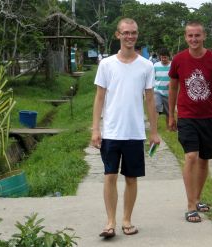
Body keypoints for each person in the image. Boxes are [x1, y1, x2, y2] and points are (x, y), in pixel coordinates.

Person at [91, 18, 160, 239]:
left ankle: (127, 220)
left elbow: (150, 100)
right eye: (126, 33)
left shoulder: (146, 66)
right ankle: (109, 222)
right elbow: (99, 97)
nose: (130, 37)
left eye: (134, 33)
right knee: (109, 175)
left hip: (134, 132)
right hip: (111, 131)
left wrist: (154, 132)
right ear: (117, 35)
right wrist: (95, 129)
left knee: (131, 178)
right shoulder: (107, 64)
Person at [168, 21, 212, 223]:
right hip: (187, 116)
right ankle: (190, 206)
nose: (194, 39)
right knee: (191, 157)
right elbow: (173, 88)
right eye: (190, 36)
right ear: (185, 37)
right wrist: (171, 115)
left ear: (204, 36)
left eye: (197, 35)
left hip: (208, 117)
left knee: (204, 159)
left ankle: (197, 199)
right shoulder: (179, 60)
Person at [153, 48, 171, 127]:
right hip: (157, 91)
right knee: (156, 107)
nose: (163, 59)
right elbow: (152, 78)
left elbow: (177, 77)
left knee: (169, 111)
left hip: (168, 92)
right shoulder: (155, 65)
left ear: (168, 57)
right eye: (162, 57)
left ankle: (169, 126)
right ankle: (155, 126)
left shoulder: (172, 65)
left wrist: (171, 83)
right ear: (160, 57)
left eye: (165, 57)